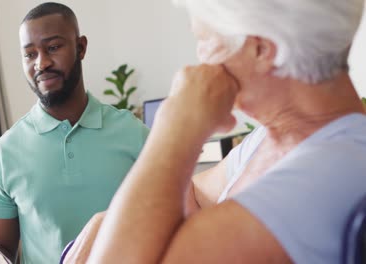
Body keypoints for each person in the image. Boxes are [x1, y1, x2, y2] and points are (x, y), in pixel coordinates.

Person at [63, 0, 366, 263]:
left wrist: (177, 125)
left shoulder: (324, 174)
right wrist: (105, 220)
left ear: (261, 49)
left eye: (205, 40)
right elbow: (194, 193)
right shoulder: (269, 139)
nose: (200, 59)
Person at [0, 2, 149, 263]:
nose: (42, 63)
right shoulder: (4, 155)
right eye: (29, 54)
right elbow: (0, 250)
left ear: (81, 47)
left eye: (53, 47)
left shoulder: (134, 135)